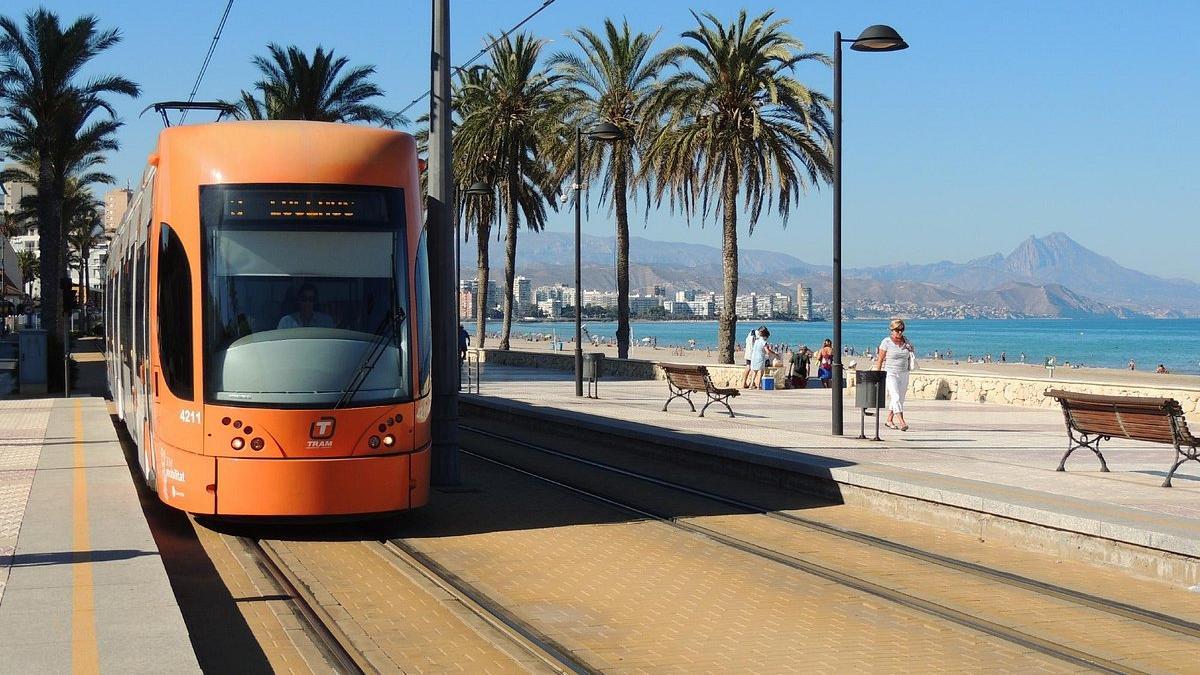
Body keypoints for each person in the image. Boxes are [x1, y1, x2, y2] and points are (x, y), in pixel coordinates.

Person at [875, 318, 915, 432]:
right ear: (892, 330)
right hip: (890, 372)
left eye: (902, 329)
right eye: (897, 330)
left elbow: (911, 354)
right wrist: (878, 374)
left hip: (904, 372)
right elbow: (880, 359)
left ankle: (889, 419)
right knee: (895, 396)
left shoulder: (906, 341)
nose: (900, 332)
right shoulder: (886, 342)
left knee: (900, 399)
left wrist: (911, 349)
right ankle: (902, 422)